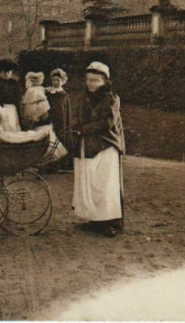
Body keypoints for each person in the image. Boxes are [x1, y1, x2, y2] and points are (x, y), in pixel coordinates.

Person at [72, 62, 126, 238]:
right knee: (89, 183)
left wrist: (84, 129)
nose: (92, 84)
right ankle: (94, 219)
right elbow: (76, 117)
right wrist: (75, 126)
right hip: (87, 145)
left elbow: (107, 123)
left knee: (104, 185)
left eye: (96, 80)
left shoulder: (111, 99)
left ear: (104, 81)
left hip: (105, 145)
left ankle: (108, 222)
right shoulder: (82, 98)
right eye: (89, 80)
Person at [46, 68, 72, 171]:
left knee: (60, 139)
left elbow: (64, 111)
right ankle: (49, 164)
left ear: (63, 81)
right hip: (50, 119)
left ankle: (61, 165)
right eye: (54, 80)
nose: (56, 82)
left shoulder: (64, 95)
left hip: (60, 121)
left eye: (58, 80)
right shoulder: (49, 92)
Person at [0, 59, 22, 131]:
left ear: (11, 72)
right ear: (0, 72)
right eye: (4, 72)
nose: (7, 74)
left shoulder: (14, 83)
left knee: (12, 125)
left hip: (11, 108)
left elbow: (18, 98)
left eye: (9, 71)